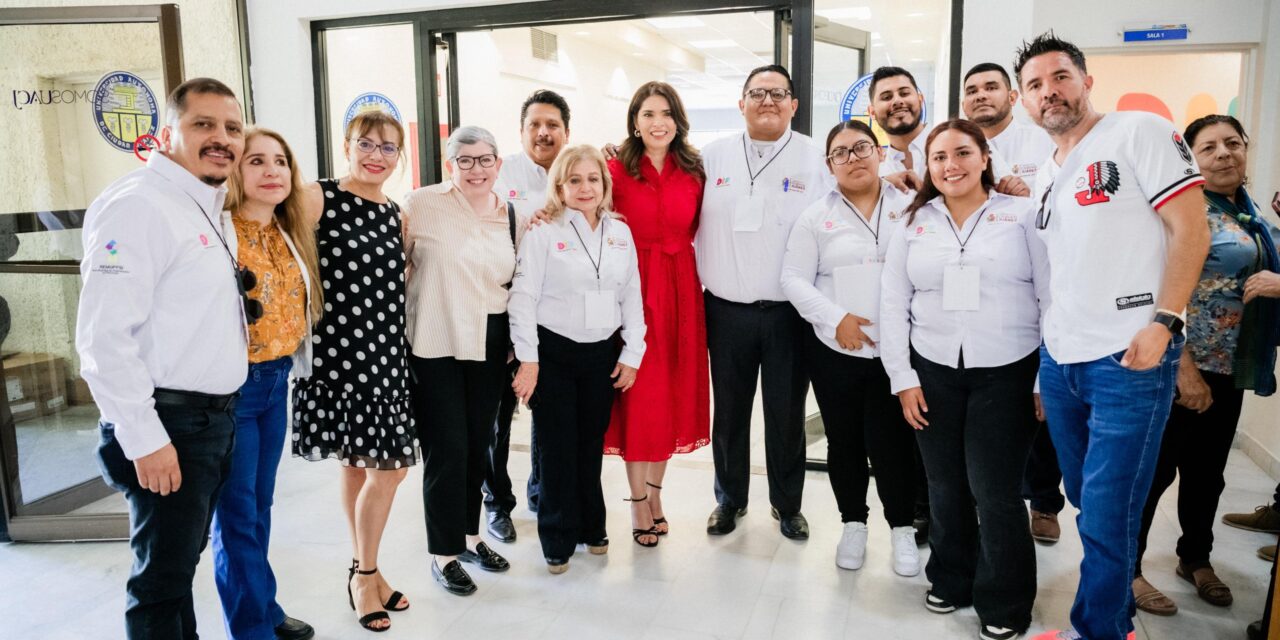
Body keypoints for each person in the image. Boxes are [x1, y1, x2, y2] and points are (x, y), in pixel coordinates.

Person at [1015, 32, 1212, 640]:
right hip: (1062, 358)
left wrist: (1165, 322)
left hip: (1128, 357)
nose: (1050, 92)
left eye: (1061, 77)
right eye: (1036, 85)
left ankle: (1098, 629)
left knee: (1105, 513)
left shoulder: (1139, 133)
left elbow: (1191, 231)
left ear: (1086, 80)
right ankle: (1111, 618)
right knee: (1085, 499)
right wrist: (1045, 364)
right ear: (1026, 101)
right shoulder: (1047, 172)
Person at [78, 77, 249, 640]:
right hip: (169, 424)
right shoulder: (139, 207)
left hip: (209, 420)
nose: (221, 137)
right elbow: (103, 340)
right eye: (204, 124)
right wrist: (146, 439)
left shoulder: (204, 203)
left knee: (177, 575)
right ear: (169, 132)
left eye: (231, 126)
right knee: (159, 585)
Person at [880, 119, 1049, 640]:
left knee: (994, 490)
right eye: (939, 157)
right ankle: (951, 579)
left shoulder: (1020, 215)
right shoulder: (914, 220)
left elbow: (1050, 297)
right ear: (927, 166)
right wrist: (902, 378)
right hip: (932, 370)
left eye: (962, 153)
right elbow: (892, 303)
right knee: (944, 484)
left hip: (1007, 371)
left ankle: (1004, 600)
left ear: (984, 158)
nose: (950, 165)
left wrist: (1047, 375)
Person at [1131, 114, 1280, 616]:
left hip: (1232, 368)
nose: (1224, 154)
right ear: (1190, 159)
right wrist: (1182, 366)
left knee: (1208, 473)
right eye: (1209, 146)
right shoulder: (1183, 212)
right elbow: (1158, 291)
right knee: (1153, 475)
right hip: (1181, 364)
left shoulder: (1250, 213)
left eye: (1233, 143)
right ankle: (1127, 570)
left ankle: (1195, 559)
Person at [292, 110, 418, 633]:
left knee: (370, 466)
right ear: (346, 145)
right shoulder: (317, 195)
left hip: (387, 355)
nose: (376, 156)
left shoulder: (395, 212)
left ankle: (365, 566)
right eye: (366, 144)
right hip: (339, 356)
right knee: (380, 468)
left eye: (388, 149)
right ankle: (365, 574)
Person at [780, 119, 919, 575]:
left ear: (880, 153)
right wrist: (835, 318)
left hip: (899, 350)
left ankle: (901, 528)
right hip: (836, 350)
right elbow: (793, 278)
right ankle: (853, 524)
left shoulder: (914, 206)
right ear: (829, 165)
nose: (853, 158)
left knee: (894, 443)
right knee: (845, 442)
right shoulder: (816, 215)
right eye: (841, 153)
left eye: (861, 148)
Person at [697, 64, 831, 540]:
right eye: (757, 93)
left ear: (794, 104)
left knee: (786, 411)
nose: (768, 101)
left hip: (788, 314)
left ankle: (787, 504)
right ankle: (729, 499)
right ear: (741, 103)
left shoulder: (817, 159)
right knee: (729, 412)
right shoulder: (710, 158)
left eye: (778, 94)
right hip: (725, 310)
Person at [509, 144, 646, 574]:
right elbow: (523, 298)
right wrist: (528, 362)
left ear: (605, 185)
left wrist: (633, 353)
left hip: (602, 352)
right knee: (556, 449)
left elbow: (632, 297)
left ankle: (591, 525)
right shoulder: (543, 230)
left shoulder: (620, 232)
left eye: (593, 179)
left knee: (591, 443)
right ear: (560, 185)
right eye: (575, 180)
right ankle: (557, 534)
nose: (585, 188)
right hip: (554, 353)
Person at [402, 126, 522, 596]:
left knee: (478, 446)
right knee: (446, 450)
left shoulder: (511, 213)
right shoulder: (419, 205)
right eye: (465, 160)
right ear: (450, 163)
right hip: (435, 340)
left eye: (485, 159)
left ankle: (471, 538)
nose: (476, 169)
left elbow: (516, 284)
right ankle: (443, 553)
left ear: (498, 163)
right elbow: (394, 269)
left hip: (489, 342)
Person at [210, 127, 319, 640]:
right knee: (236, 516)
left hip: (277, 383)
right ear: (235, 170)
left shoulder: (287, 228)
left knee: (260, 507)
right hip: (235, 388)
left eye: (281, 161)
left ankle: (266, 609)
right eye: (257, 161)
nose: (273, 170)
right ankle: (252, 629)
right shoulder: (218, 230)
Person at [603, 81, 710, 547]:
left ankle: (657, 495)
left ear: (677, 119)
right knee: (640, 398)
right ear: (634, 121)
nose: (657, 121)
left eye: (665, 112)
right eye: (647, 113)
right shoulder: (613, 169)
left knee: (672, 394)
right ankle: (637, 503)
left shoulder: (695, 171)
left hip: (683, 289)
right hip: (634, 289)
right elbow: (580, 208)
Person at [961, 61, 1063, 544]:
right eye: (972, 90)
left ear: (1012, 96)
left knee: (1038, 404)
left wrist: (1029, 193)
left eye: (991, 88)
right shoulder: (959, 144)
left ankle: (1044, 502)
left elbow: (1059, 203)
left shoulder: (1041, 142)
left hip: (1035, 280)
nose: (981, 96)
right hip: (979, 287)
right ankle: (991, 499)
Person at [487, 89, 572, 537]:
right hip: (503, 312)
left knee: (547, 411)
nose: (544, 132)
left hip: (554, 318)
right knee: (499, 416)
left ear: (566, 132)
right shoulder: (501, 177)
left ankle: (542, 491)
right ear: (521, 131)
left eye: (553, 125)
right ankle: (497, 502)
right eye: (535, 124)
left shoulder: (575, 173)